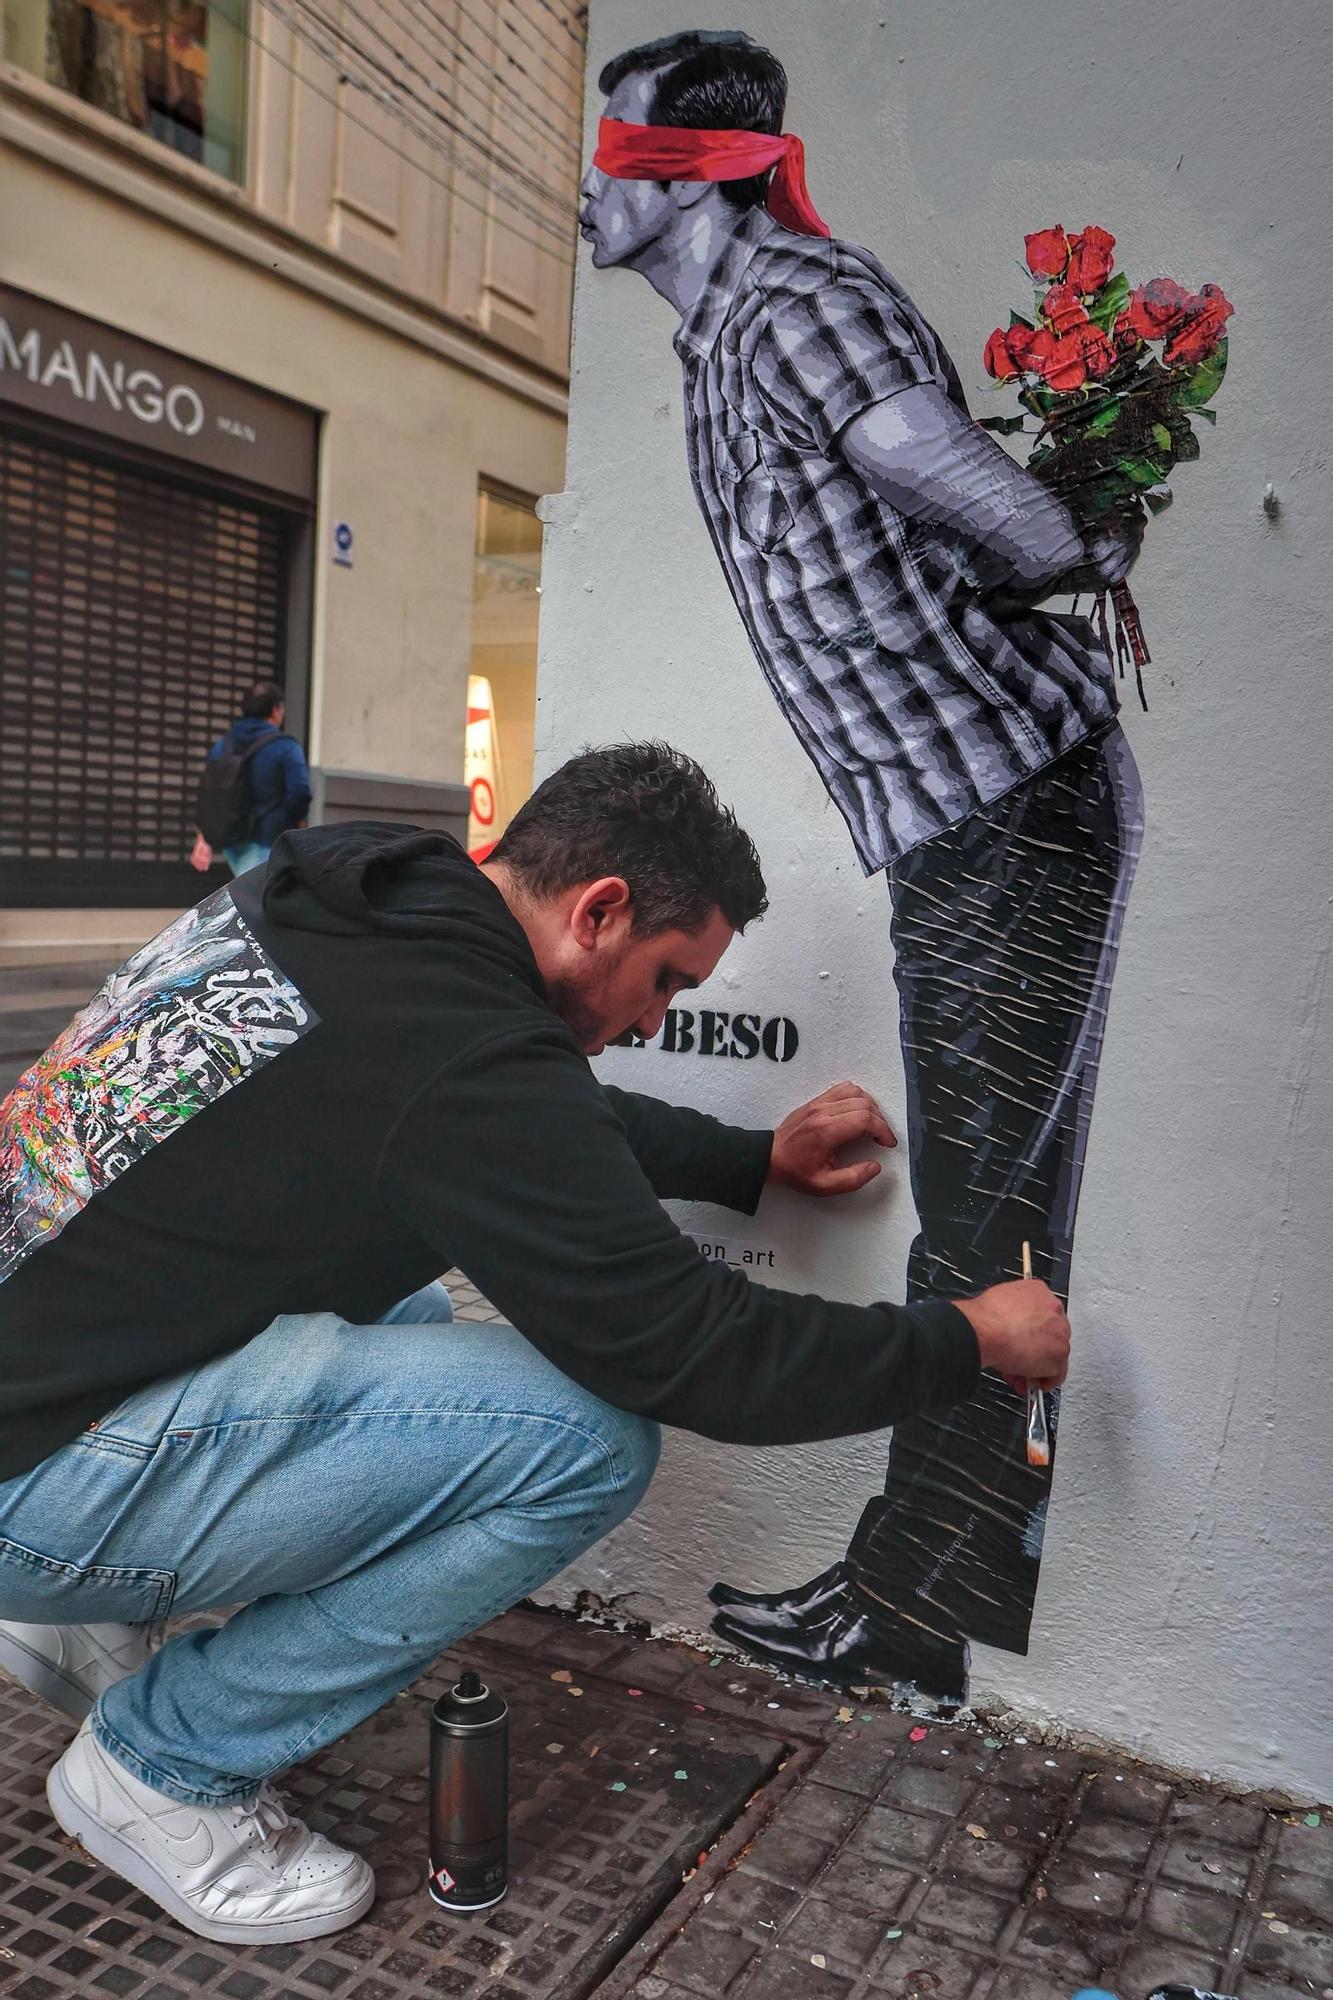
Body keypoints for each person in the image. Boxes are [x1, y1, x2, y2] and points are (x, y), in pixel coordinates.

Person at [0, 743, 1070, 1945]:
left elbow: (536, 1113)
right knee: (588, 1439)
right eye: (667, 980)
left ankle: (74, 1615)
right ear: (598, 909)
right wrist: (963, 1338)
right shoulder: (463, 1041)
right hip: (37, 1479)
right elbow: (686, 1348)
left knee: (397, 1312)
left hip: (40, 1381)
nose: (657, 1016)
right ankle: (165, 1767)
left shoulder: (370, 893)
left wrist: (741, 1159)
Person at [581, 32, 1145, 1702]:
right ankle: (939, 1602)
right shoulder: (715, 345)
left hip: (1009, 807)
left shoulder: (792, 300)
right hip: (972, 821)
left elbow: (929, 467)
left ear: (679, 178)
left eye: (608, 158)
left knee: (973, 1226)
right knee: (994, 1219)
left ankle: (906, 1609)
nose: (583, 190)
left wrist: (1068, 539)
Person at [190, 680, 311, 878]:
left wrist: (203, 836)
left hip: (231, 839)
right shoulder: (286, 747)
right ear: (275, 710)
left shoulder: (222, 745)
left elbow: (208, 792)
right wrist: (298, 824)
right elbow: (300, 793)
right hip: (267, 839)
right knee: (257, 902)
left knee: (247, 895)